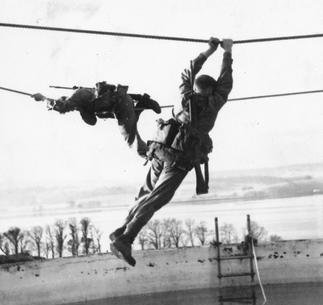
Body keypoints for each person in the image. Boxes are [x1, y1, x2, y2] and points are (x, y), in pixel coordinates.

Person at [110, 37, 234, 266]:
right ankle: (126, 239)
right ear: (209, 91)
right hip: (178, 158)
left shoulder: (185, 95)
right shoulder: (212, 103)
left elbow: (188, 71)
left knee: (146, 191)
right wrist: (227, 51)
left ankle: (120, 230)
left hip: (158, 149)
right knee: (158, 199)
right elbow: (226, 79)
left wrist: (209, 51)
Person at [32, 82, 161, 156]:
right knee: (128, 124)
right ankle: (144, 102)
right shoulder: (85, 98)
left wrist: (43, 98)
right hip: (123, 105)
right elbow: (92, 121)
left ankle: (154, 157)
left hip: (122, 105)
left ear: (66, 99)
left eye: (71, 108)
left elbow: (62, 108)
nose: (71, 110)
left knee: (131, 141)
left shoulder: (76, 96)